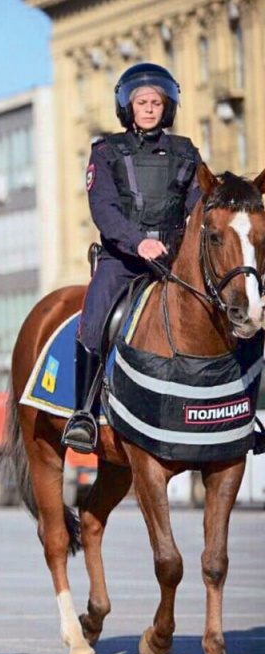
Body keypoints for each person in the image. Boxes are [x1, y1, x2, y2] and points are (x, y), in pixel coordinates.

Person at [63, 63, 202, 453]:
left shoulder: (186, 152)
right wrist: (138, 241)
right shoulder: (105, 152)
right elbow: (103, 208)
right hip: (122, 261)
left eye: (156, 102)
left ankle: (240, 413)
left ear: (167, 107)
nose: (149, 108)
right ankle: (84, 414)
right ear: (128, 107)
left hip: (174, 262)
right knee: (93, 319)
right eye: (141, 102)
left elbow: (200, 202)